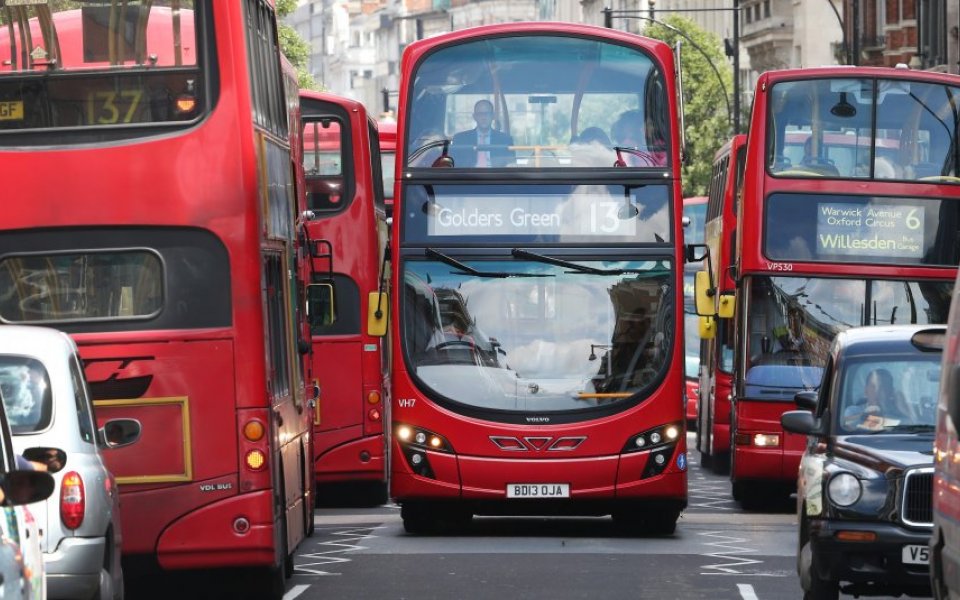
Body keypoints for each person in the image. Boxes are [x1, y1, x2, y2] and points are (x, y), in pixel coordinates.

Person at [450, 100, 515, 167]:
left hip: (496, 176)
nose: (484, 117)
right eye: (480, 114)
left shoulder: (505, 139)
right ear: (474, 116)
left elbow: (511, 165)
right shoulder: (460, 139)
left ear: (493, 116)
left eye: (487, 113)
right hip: (468, 176)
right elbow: (454, 166)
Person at [842, 368, 910, 432]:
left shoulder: (898, 413)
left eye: (883, 387)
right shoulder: (854, 411)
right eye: (873, 386)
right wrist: (864, 416)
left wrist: (903, 409)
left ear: (891, 391)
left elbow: (911, 428)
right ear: (866, 390)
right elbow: (845, 426)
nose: (877, 391)